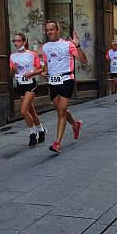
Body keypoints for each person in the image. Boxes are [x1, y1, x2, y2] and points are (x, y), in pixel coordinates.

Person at [43, 20, 87, 154]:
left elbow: (84, 60)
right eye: (47, 30)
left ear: (58, 30)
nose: (49, 32)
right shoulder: (45, 47)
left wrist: (77, 45)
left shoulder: (68, 45)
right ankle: (75, 124)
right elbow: (46, 64)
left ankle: (57, 143)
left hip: (67, 79)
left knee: (61, 111)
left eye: (52, 29)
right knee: (60, 110)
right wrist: (45, 72)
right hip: (53, 81)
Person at [10, 33, 46, 146]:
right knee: (31, 111)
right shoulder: (12, 56)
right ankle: (41, 130)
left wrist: (32, 73)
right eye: (14, 41)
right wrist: (13, 69)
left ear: (24, 42)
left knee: (23, 111)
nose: (16, 43)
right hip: (20, 84)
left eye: (18, 41)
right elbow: (11, 74)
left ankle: (32, 134)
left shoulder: (32, 54)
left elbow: (41, 69)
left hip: (30, 84)